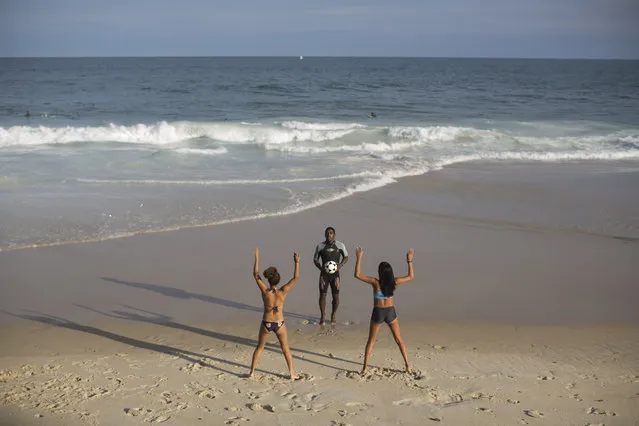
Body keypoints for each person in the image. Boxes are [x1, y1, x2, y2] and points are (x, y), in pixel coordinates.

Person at [354, 246, 414, 374]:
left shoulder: (375, 283)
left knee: (371, 340)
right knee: (399, 340)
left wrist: (359, 258)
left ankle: (365, 367)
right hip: (390, 312)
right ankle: (408, 366)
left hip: (378, 312)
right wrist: (409, 261)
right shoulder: (395, 282)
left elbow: (357, 275)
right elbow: (411, 276)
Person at [248, 248, 300, 380]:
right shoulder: (283, 291)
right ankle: (292, 374)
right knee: (285, 348)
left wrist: (257, 257)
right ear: (278, 280)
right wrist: (297, 262)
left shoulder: (265, 291)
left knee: (260, 347)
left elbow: (256, 274)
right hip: (279, 323)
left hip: (266, 323)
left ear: (269, 280)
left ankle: (252, 372)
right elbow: (295, 278)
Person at [313, 226, 348, 326]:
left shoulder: (340, 245)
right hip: (324, 275)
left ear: (334, 235)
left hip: (335, 275)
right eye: (327, 233)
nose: (329, 235)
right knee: (322, 295)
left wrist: (340, 265)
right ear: (325, 235)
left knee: (336, 297)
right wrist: (320, 268)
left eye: (331, 233)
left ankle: (333, 314)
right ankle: (323, 316)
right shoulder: (320, 246)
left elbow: (346, 257)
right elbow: (315, 260)